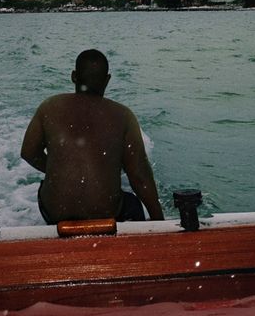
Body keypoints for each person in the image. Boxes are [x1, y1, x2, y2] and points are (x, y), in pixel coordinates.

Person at [21, 49, 165, 224]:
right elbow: (139, 176)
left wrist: (57, 173)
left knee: (45, 189)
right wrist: (159, 221)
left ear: (74, 76)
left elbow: (28, 152)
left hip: (55, 213)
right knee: (132, 203)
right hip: (104, 215)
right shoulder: (123, 116)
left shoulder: (49, 107)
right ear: (107, 80)